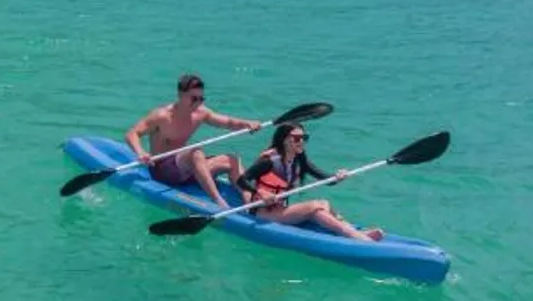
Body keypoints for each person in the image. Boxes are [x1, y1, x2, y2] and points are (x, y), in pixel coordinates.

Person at [124, 74, 263, 209]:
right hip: (163, 172)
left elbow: (228, 122)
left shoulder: (201, 113)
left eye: (201, 99)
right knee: (195, 151)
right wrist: (140, 152)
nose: (197, 103)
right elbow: (132, 134)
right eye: (193, 98)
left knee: (232, 161)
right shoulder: (161, 116)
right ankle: (219, 202)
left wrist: (247, 123)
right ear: (180, 95)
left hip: (186, 169)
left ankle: (251, 203)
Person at [236, 122, 384, 241]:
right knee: (315, 206)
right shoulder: (268, 161)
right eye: (296, 138)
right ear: (285, 140)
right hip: (262, 213)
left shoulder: (299, 160)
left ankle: (353, 232)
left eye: (304, 137)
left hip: (280, 208)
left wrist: (338, 176)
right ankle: (358, 238)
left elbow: (327, 180)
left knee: (323, 205)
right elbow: (241, 180)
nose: (301, 142)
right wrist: (259, 192)